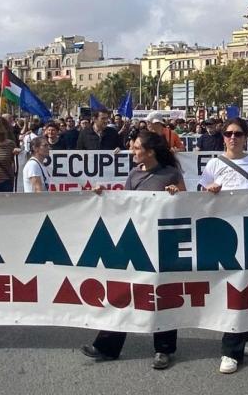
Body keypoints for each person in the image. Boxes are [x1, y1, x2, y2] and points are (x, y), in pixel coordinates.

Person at [81, 130, 185, 369]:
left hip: (161, 244)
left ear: (150, 152)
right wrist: (103, 196)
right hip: (136, 242)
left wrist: (176, 195)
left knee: (162, 295)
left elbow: (186, 205)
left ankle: (164, 349)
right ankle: (107, 346)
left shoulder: (170, 174)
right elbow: (126, 203)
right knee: (123, 293)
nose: (132, 151)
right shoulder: (134, 174)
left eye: (137, 148)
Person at [198, 118, 248, 374]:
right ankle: (237, 342)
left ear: (246, 137)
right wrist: (208, 190)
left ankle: (239, 340)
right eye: (228, 133)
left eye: (238, 133)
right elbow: (198, 198)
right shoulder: (213, 164)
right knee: (229, 288)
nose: (232, 137)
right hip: (223, 234)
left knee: (246, 286)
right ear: (223, 137)